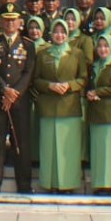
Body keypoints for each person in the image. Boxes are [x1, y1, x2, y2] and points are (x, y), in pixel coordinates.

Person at [0, 3, 36, 194]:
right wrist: (4, 89)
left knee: (20, 142)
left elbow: (29, 71)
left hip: (19, 101)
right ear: (1, 22)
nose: (10, 23)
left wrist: (14, 93)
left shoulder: (28, 45)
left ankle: (24, 184)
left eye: (13, 20)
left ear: (20, 22)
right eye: (6, 20)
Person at [33, 19, 87, 194]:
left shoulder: (77, 54)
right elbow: (36, 80)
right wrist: (49, 85)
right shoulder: (43, 54)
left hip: (69, 107)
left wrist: (70, 85)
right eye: (56, 31)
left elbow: (84, 78)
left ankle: (67, 184)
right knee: (49, 149)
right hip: (48, 108)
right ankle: (50, 183)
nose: (59, 35)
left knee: (67, 149)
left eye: (62, 32)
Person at [87, 32, 111, 195]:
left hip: (110, 115)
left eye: (106, 46)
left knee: (110, 152)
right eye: (100, 46)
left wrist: (98, 91)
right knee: (98, 151)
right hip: (96, 114)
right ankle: (99, 184)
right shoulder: (95, 65)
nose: (103, 49)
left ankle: (110, 185)